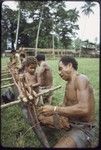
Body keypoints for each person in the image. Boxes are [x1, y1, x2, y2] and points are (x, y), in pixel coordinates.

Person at [38, 56, 97, 148]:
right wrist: (57, 113)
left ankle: (81, 138)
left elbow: (84, 109)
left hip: (83, 128)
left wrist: (54, 109)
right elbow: (65, 105)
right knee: (41, 118)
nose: (59, 72)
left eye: (60, 69)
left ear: (69, 65)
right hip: (70, 122)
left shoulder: (81, 79)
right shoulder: (68, 84)